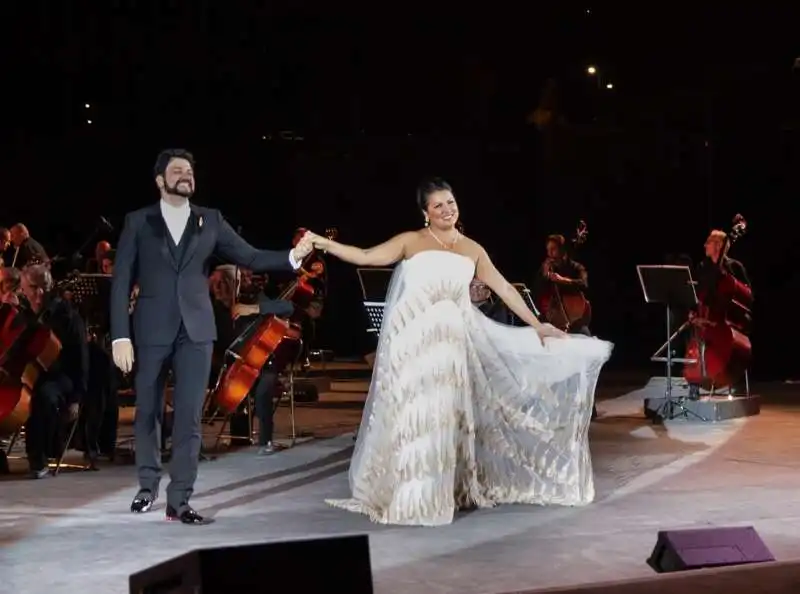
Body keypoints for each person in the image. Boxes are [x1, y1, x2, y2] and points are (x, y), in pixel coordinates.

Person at [311, 177, 613, 526]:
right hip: (413, 342)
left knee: (443, 416)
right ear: (425, 212)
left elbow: (503, 288)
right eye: (437, 205)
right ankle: (412, 496)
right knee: (415, 416)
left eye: (450, 202)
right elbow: (366, 256)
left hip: (451, 343)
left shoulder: (472, 248)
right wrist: (323, 244)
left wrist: (537, 324)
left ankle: (439, 492)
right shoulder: (411, 241)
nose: (446, 210)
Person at [110, 148, 313, 525]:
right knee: (148, 411)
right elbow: (122, 280)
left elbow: (250, 257)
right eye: (177, 170)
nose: (186, 174)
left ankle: (180, 500)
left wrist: (291, 258)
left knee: (189, 416)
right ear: (160, 180)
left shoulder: (211, 220)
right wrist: (119, 335)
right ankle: (146, 485)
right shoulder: (138, 221)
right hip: (151, 328)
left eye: (189, 170)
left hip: (197, 331)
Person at [19, 264, 89, 478]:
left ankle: (39, 459)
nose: (21, 292)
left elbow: (81, 359)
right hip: (32, 375)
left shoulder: (66, 315)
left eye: (24, 289)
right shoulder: (25, 313)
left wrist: (77, 397)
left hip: (61, 377)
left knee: (42, 397)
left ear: (38, 290)